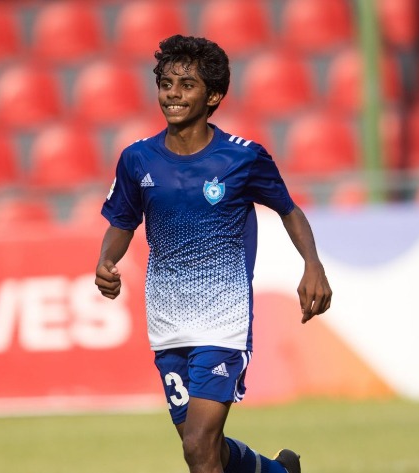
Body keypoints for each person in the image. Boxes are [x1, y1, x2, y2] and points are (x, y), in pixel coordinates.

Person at [94, 35, 332, 473]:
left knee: (199, 446)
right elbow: (122, 222)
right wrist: (106, 260)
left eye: (187, 85)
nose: (173, 94)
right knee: (202, 447)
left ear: (214, 96)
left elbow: (289, 210)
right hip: (166, 321)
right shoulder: (137, 159)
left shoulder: (242, 158)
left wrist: (312, 265)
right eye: (166, 83)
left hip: (223, 319)